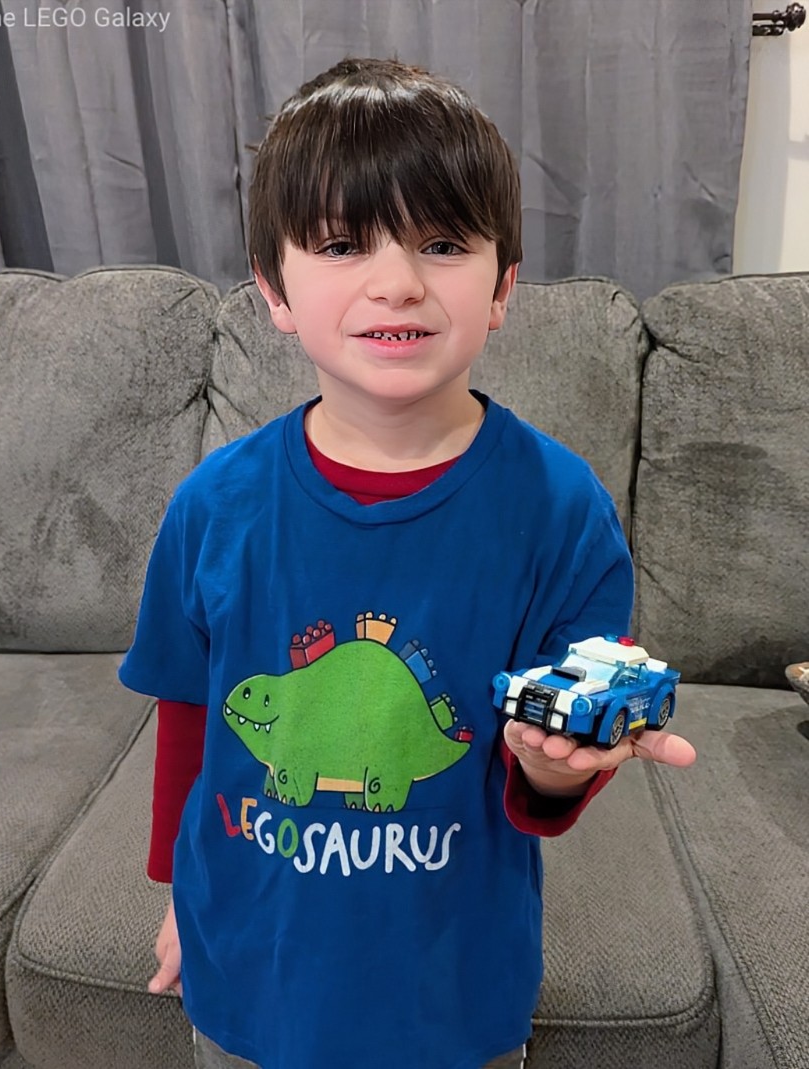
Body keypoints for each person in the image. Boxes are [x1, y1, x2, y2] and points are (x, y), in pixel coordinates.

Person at [119, 56, 696, 1069]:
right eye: (342, 243)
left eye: (441, 241)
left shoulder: (561, 511)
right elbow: (189, 715)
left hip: (452, 991)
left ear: (504, 284)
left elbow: (563, 742)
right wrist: (177, 896)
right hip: (247, 971)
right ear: (274, 292)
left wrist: (554, 770)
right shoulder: (213, 506)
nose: (397, 280)